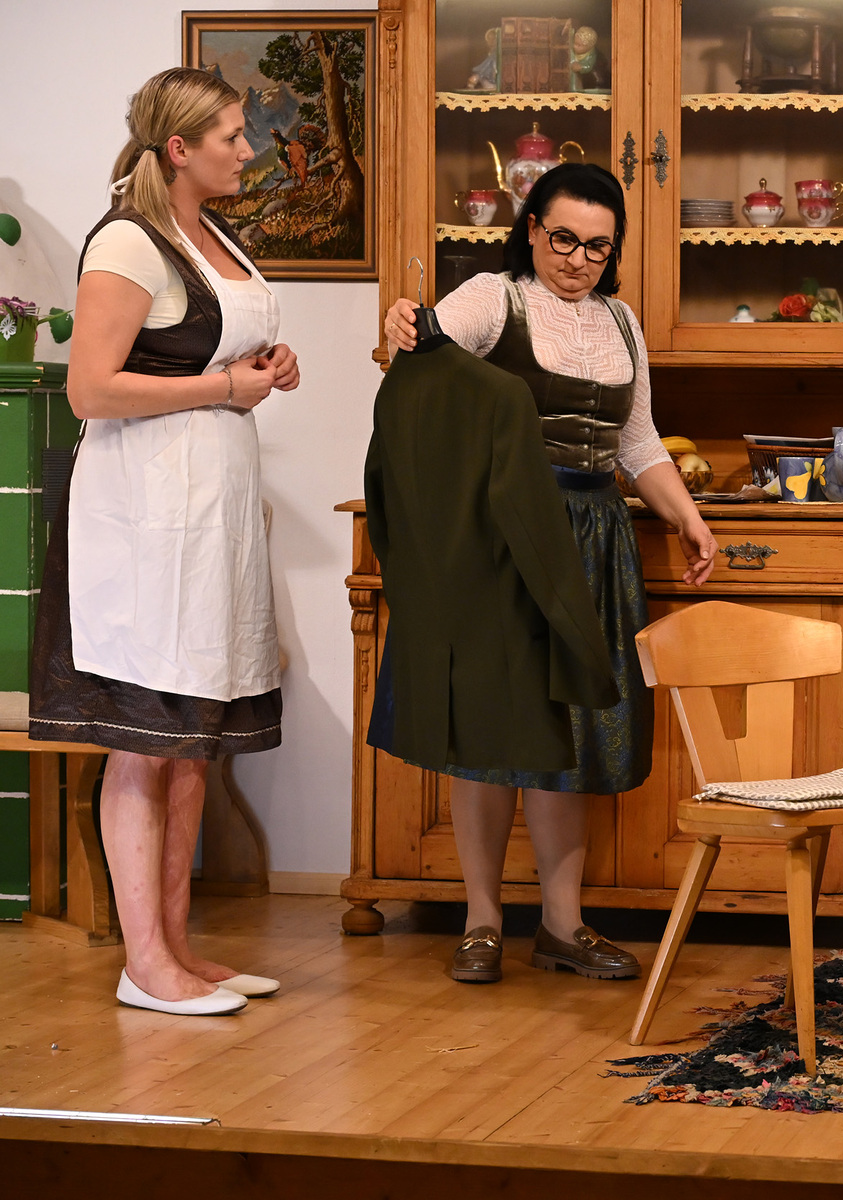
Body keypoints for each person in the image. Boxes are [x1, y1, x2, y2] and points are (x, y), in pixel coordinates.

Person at [381, 162, 716, 983]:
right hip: (503, 538)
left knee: (570, 732)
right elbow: (415, 361)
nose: (577, 260)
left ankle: (563, 927)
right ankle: (482, 924)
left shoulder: (622, 322)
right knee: (490, 733)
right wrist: (399, 327)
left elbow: (638, 441)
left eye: (598, 247)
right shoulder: (494, 298)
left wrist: (687, 516)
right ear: (532, 228)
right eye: (564, 238)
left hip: (594, 539)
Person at [30, 67, 300, 1015]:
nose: (248, 149)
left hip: (211, 520)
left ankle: (177, 950)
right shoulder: (125, 242)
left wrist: (267, 365)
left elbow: (206, 349)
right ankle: (144, 964)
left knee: (190, 746)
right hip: (143, 526)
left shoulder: (212, 233)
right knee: (144, 745)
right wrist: (226, 387)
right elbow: (90, 389)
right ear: (179, 149)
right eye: (231, 135)